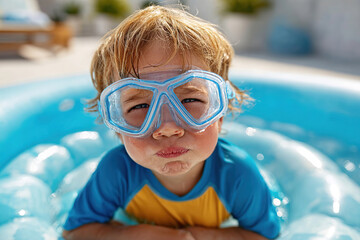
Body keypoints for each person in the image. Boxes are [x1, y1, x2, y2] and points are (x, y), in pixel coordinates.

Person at [62, 5, 280, 240]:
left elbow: (263, 236)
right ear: (116, 123)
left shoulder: (238, 174)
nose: (167, 128)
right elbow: (76, 232)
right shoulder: (117, 171)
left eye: (189, 100)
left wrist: (194, 237)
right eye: (140, 106)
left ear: (220, 112)